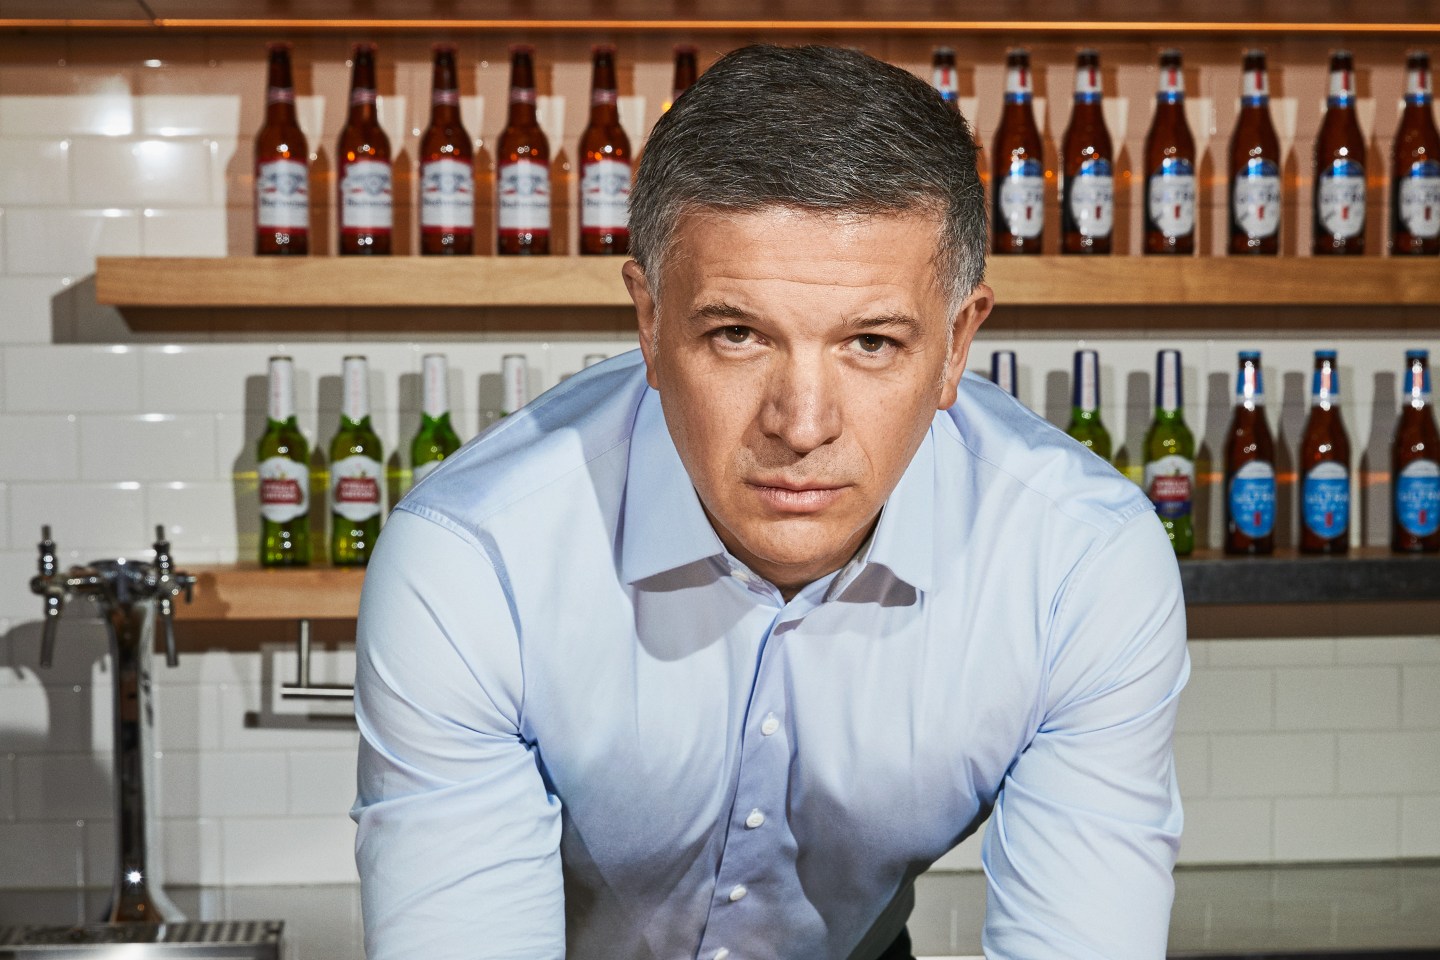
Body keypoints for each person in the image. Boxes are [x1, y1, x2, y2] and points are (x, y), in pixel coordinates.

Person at [352, 44, 1188, 960]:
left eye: (871, 342)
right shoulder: (475, 558)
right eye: (738, 334)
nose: (802, 424)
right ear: (650, 320)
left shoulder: (1078, 563)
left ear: (955, 346)